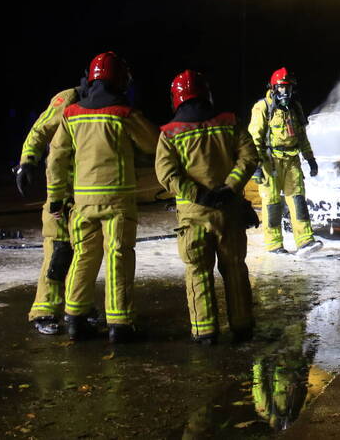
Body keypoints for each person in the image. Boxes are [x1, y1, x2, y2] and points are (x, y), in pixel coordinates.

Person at [46, 52, 158, 342]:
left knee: (83, 255)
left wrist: (56, 197)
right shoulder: (124, 113)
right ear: (120, 79)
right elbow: (154, 143)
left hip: (82, 202)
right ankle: (119, 325)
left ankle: (74, 318)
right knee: (118, 257)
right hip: (117, 201)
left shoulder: (71, 114)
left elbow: (56, 158)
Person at [155, 70, 259, 344]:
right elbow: (249, 157)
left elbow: (167, 174)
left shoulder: (169, 134)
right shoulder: (229, 123)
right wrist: (230, 187)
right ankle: (242, 326)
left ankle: (205, 332)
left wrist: (198, 195)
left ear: (176, 99)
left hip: (193, 217)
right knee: (235, 270)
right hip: (229, 213)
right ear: (206, 94)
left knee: (198, 271)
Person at [15, 86, 79, 335]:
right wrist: (27, 161)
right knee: (58, 251)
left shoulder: (102, 101)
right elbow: (40, 128)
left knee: (82, 254)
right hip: (63, 190)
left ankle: (76, 308)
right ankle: (44, 310)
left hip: (86, 191)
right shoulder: (70, 99)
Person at [248, 68, 321, 255]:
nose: (285, 92)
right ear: (273, 88)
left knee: (298, 200)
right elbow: (254, 138)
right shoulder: (263, 107)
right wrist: (256, 165)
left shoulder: (295, 108)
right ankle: (274, 244)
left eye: (288, 88)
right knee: (272, 204)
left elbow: (302, 137)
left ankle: (305, 241)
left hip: (292, 160)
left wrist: (310, 158)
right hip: (269, 161)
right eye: (281, 88)